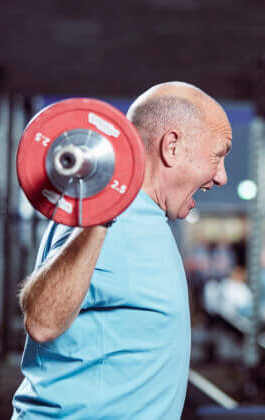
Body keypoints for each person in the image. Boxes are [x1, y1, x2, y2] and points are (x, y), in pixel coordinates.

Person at [12, 82, 233, 419]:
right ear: (172, 146)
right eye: (217, 156)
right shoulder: (100, 216)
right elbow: (42, 321)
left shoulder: (148, 216)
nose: (222, 177)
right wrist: (101, 214)